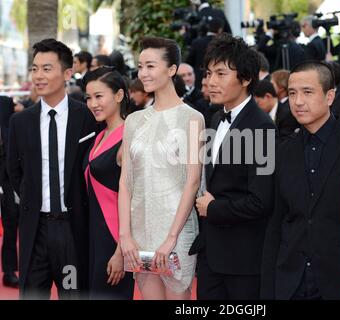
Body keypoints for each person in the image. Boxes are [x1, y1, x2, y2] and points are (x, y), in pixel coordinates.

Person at [260, 61, 340, 300]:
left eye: (307, 92)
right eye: (292, 93)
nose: (298, 101)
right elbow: (277, 222)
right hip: (291, 281)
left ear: (329, 96)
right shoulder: (284, 151)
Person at [7, 38, 97, 299]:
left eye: (47, 68)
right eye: (34, 69)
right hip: (35, 230)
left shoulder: (87, 117)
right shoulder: (20, 122)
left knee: (72, 293)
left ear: (67, 73)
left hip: (72, 228)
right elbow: (15, 172)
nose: (38, 76)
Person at [188, 33, 276, 300]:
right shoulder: (215, 118)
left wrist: (214, 208)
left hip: (243, 260)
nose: (211, 82)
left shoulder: (262, 128)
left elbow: (261, 201)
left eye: (221, 74)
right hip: (211, 256)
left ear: (246, 79)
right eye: (209, 73)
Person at [118, 36, 204, 300]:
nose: (143, 73)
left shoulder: (192, 118)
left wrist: (171, 238)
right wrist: (125, 236)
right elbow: (125, 182)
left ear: (172, 70)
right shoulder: (133, 121)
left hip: (177, 233)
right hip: (140, 233)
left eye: (151, 66)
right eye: (140, 66)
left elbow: (193, 181)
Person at [82, 67, 135, 299]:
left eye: (99, 96)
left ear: (119, 95)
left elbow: (135, 200)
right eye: (88, 98)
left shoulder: (129, 138)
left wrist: (121, 251)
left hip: (114, 242)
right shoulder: (100, 136)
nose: (93, 103)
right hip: (94, 239)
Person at [0, 95, 19, 288]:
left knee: (11, 230)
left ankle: (9, 271)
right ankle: (9, 271)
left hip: (8, 188)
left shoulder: (11, 131)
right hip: (8, 188)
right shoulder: (11, 129)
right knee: (11, 230)